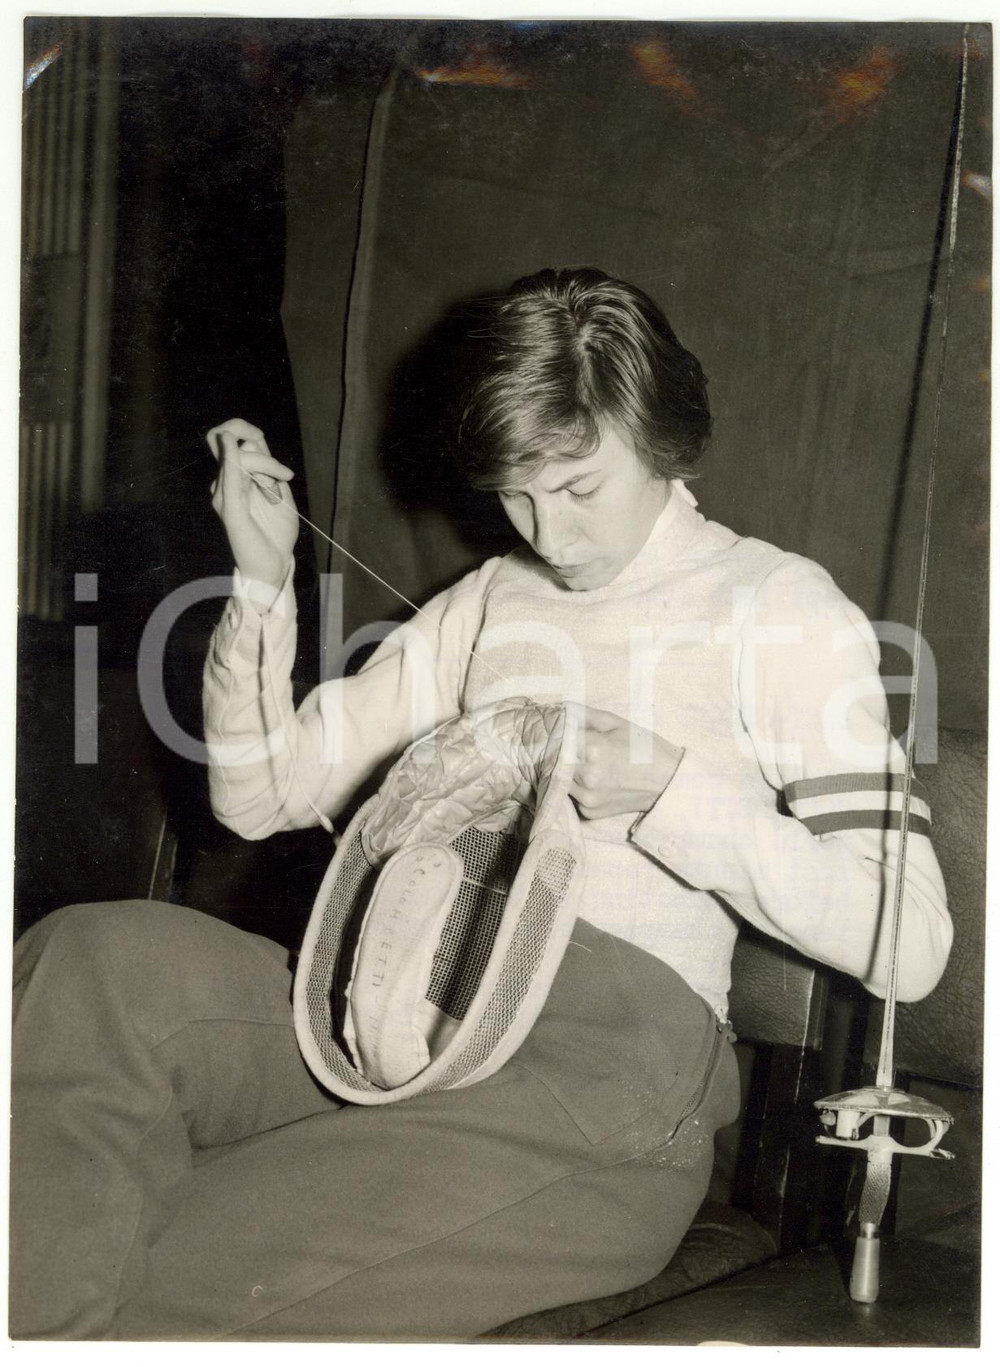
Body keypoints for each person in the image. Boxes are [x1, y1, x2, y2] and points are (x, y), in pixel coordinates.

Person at [9, 268, 952, 1340]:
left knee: (163, 1263)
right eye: (517, 491)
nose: (548, 529)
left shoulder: (776, 605)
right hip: (404, 996)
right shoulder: (493, 597)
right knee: (88, 963)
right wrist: (263, 586)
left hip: (609, 1069)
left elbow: (908, 941)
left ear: (663, 438)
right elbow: (262, 795)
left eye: (579, 486)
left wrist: (675, 797)